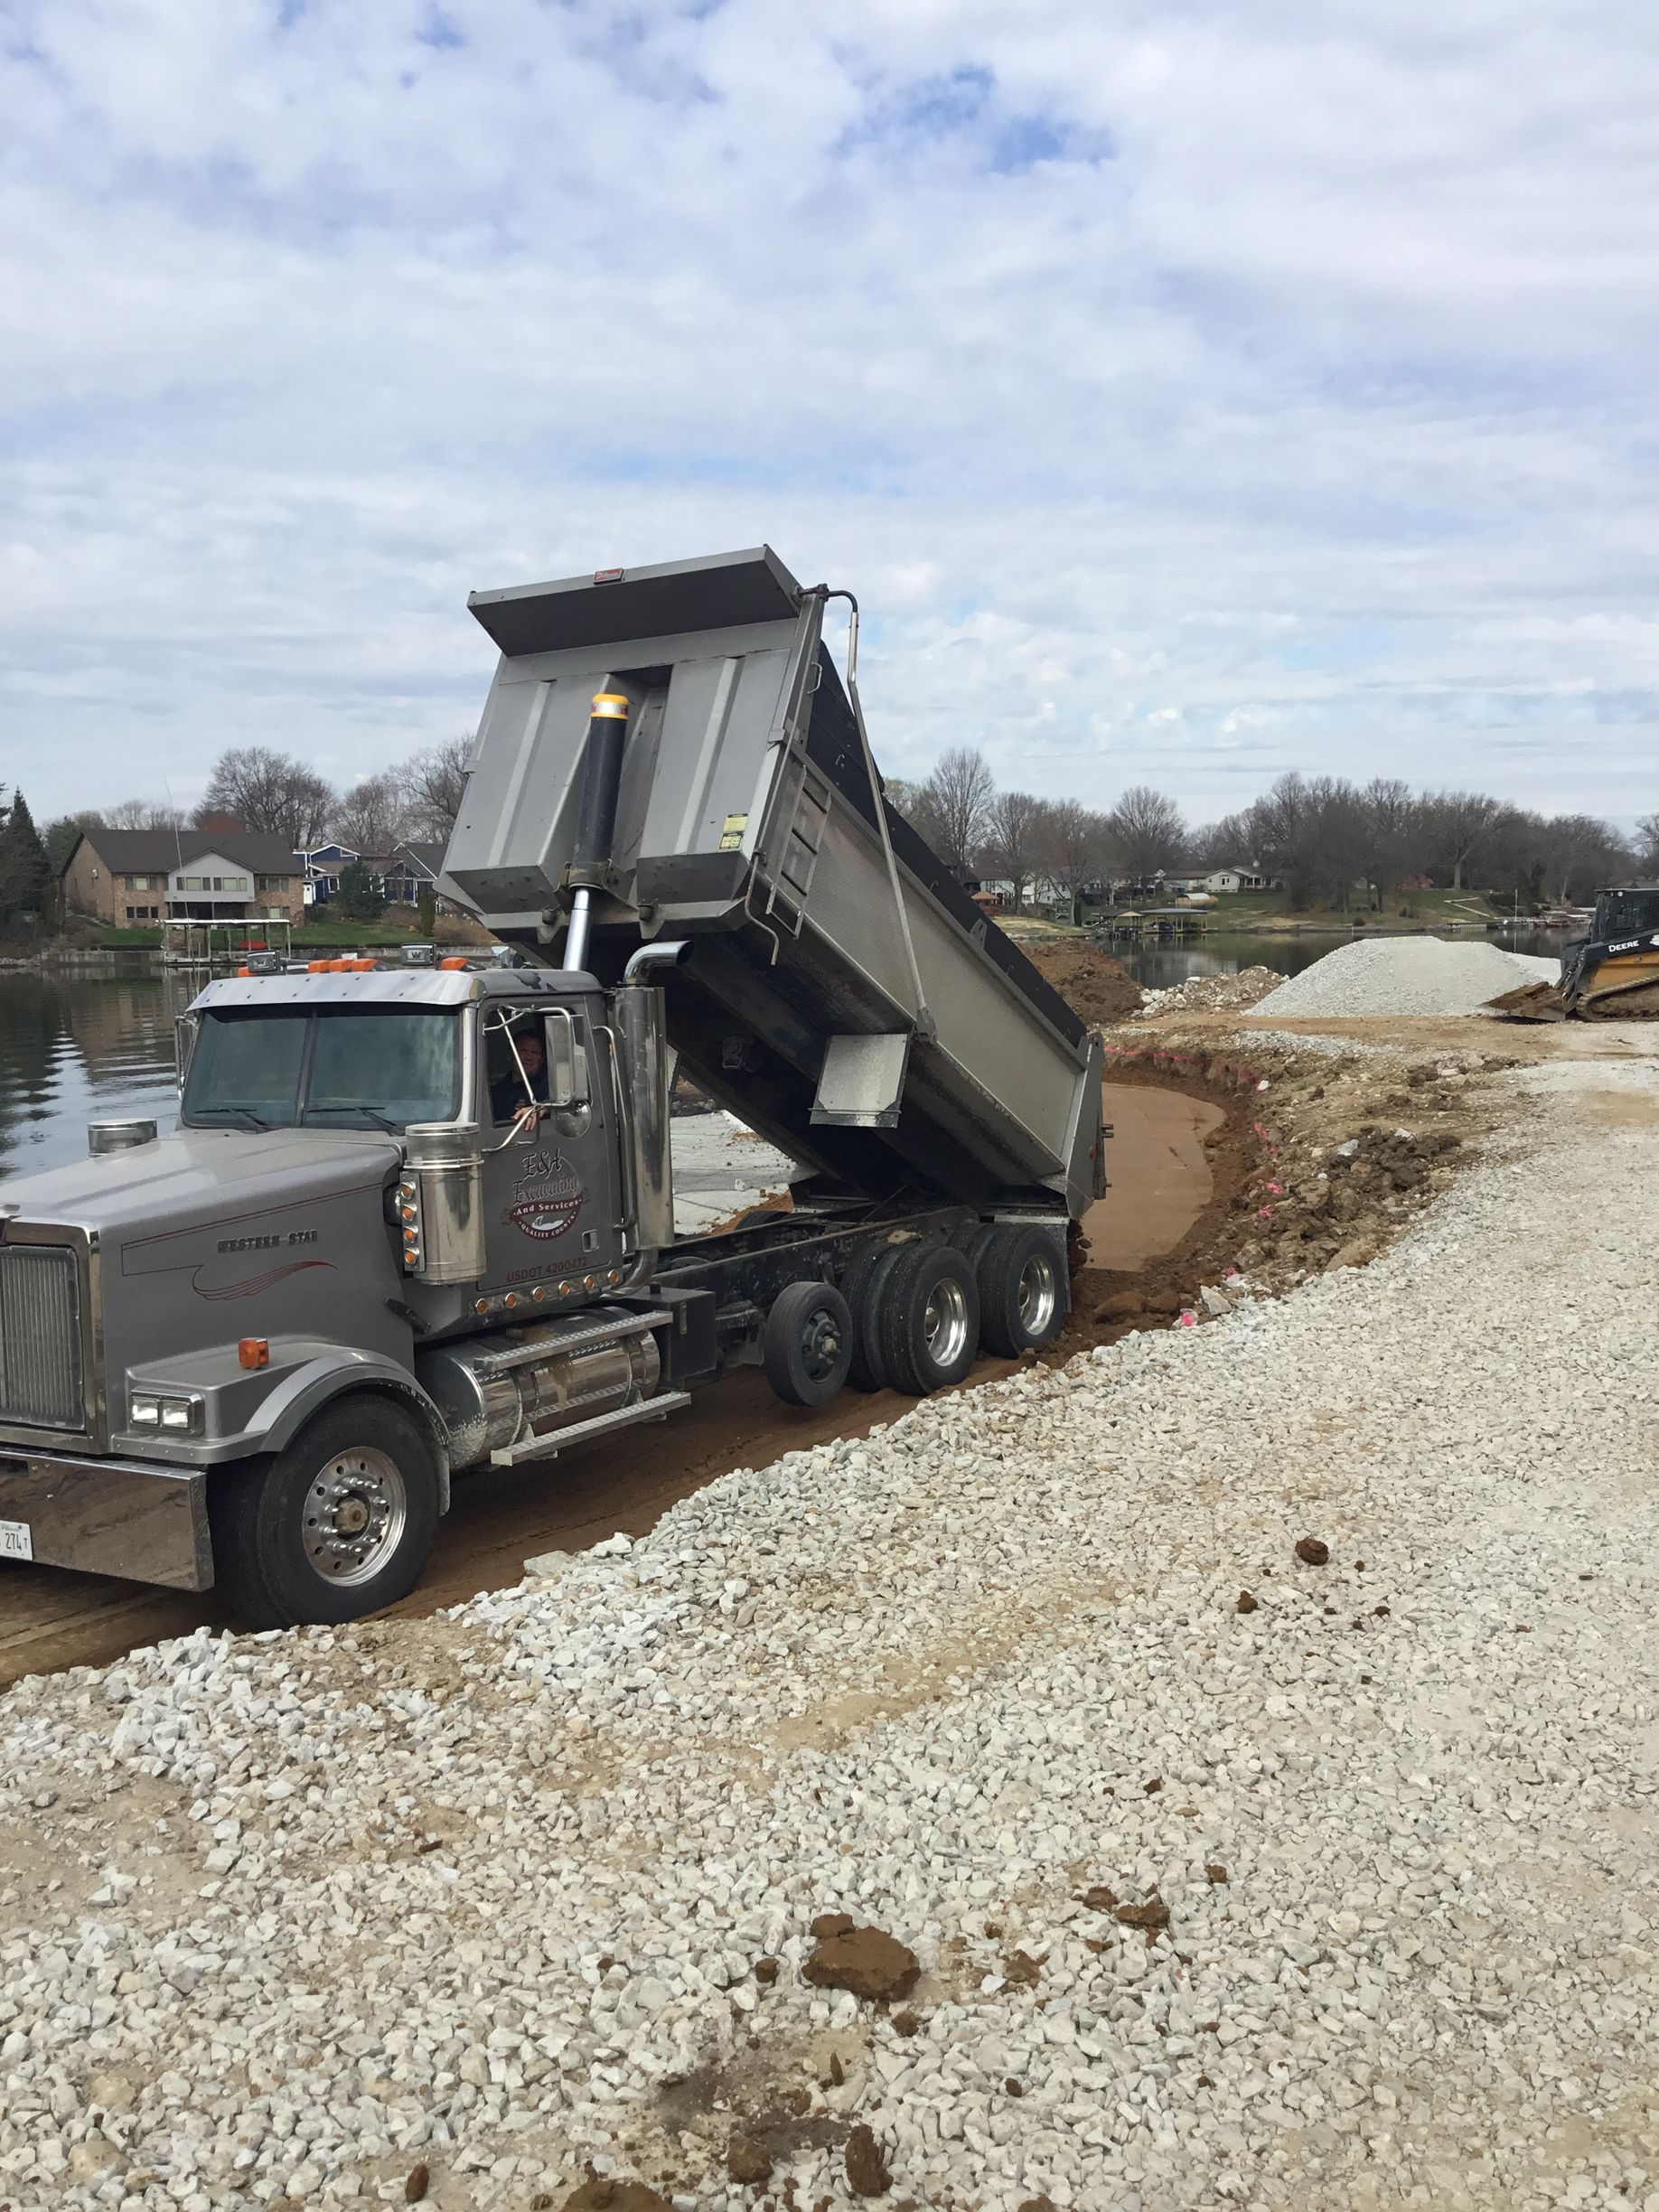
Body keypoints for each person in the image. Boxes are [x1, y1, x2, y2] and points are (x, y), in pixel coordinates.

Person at [491, 1027, 550, 1124]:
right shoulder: (495, 1092)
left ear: (541, 1060)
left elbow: (563, 1103)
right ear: (510, 1054)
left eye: (534, 1053)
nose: (529, 1057)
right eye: (524, 1051)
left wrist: (542, 1108)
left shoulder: (548, 1087)